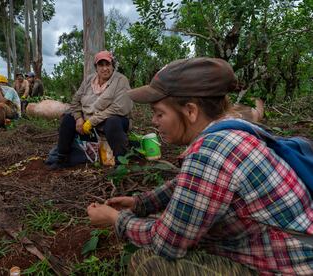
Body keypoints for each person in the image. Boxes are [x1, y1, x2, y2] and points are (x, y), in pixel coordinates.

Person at [87, 58, 313, 275]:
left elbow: (166, 242)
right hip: (294, 249)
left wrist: (115, 219)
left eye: (159, 113)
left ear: (191, 111)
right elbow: (191, 184)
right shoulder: (230, 129)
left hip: (288, 268)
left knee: (150, 263)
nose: (154, 122)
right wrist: (141, 203)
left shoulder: (211, 151)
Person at [47, 50, 133, 169]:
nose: (104, 69)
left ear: (113, 66)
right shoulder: (89, 80)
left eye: (107, 64)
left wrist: (92, 121)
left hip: (111, 119)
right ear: (96, 67)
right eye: (101, 65)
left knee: (113, 122)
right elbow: (75, 101)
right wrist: (78, 119)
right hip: (88, 123)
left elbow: (119, 108)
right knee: (67, 119)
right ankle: (62, 158)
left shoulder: (120, 80)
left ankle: (120, 164)